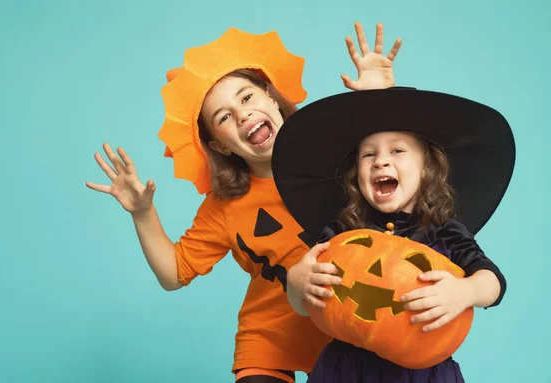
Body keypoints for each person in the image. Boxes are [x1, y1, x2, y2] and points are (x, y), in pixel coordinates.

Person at [86, 24, 403, 382]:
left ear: (271, 96)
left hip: (350, 339)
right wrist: (143, 213)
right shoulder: (223, 207)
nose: (241, 114)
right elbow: (174, 274)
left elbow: (397, 174)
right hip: (268, 346)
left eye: (247, 97)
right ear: (219, 145)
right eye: (223, 117)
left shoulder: (340, 159)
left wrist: (379, 98)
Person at [272, 87, 515, 382]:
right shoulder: (343, 231)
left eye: (397, 150)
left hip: (423, 373)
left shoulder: (445, 231)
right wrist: (298, 282)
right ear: (356, 174)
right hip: (346, 370)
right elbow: (306, 305)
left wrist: (467, 291)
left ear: (427, 168)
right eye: (368, 154)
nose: (380, 161)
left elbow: (493, 282)